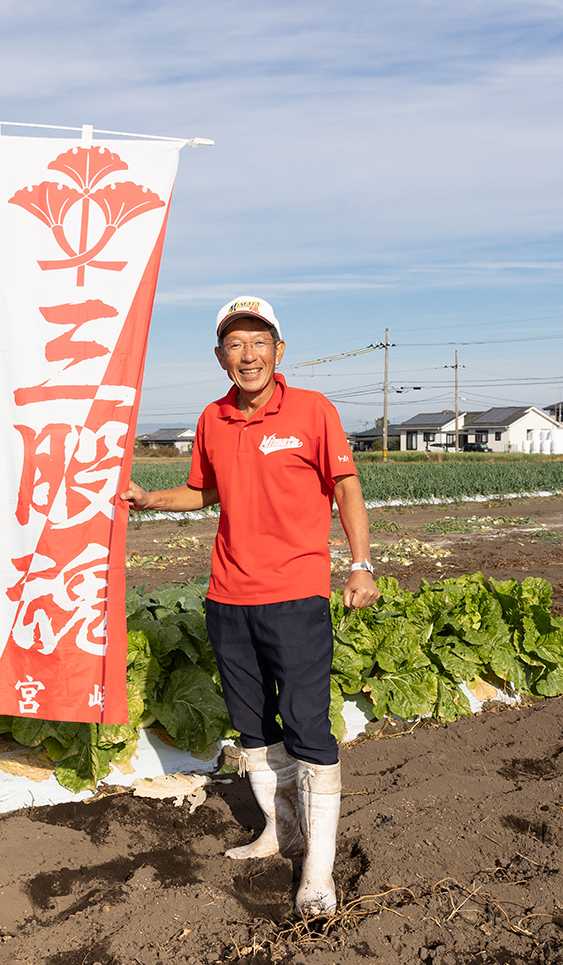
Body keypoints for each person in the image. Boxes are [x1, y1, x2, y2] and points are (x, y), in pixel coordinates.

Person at [120, 295, 380, 917]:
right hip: (227, 598)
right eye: (235, 344)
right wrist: (148, 499)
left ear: (279, 350)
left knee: (306, 722)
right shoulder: (213, 419)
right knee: (253, 723)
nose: (248, 354)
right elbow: (201, 490)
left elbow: (347, 486)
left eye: (258, 342)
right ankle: (280, 830)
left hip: (295, 596)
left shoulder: (314, 411)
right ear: (220, 357)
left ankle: (318, 868)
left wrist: (361, 563)